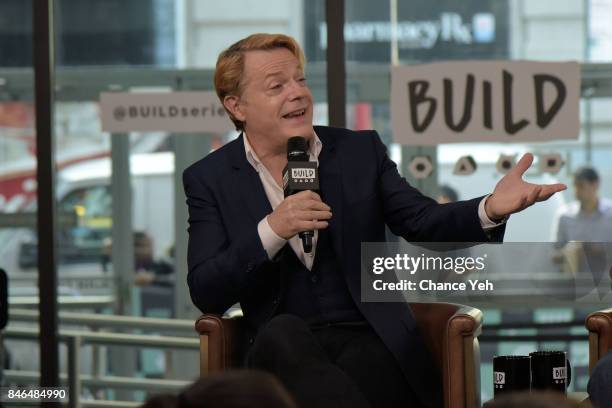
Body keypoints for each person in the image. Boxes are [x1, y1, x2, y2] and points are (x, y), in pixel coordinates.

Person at [183, 33, 566, 408]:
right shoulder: (209, 178)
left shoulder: (359, 152)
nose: (297, 92)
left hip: (369, 338)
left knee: (362, 366)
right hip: (282, 354)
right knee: (283, 334)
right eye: (276, 85)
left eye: (300, 79)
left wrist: (491, 209)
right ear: (237, 106)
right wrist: (273, 229)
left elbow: (422, 220)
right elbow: (206, 288)